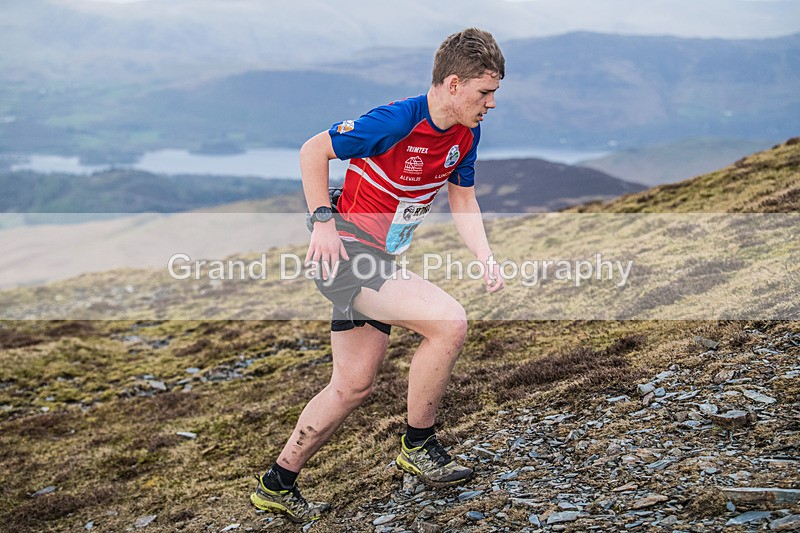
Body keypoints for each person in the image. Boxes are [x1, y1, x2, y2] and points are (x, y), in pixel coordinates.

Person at [251, 27, 506, 523]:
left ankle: (277, 483)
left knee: (353, 385)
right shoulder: (394, 121)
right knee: (449, 323)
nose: (491, 103)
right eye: (484, 92)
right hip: (346, 256)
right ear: (453, 84)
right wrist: (322, 221)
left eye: (494, 92)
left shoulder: (465, 133)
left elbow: (463, 197)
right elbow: (311, 150)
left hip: (380, 261)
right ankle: (418, 445)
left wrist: (485, 255)